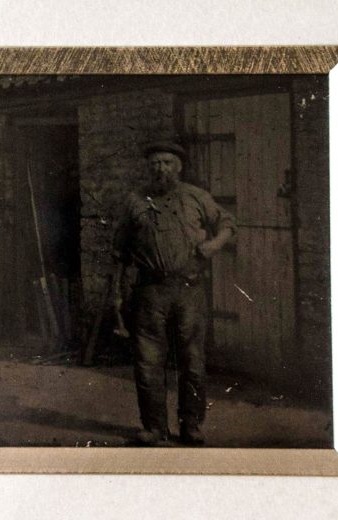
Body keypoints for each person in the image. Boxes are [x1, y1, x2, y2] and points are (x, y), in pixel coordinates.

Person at [111, 141, 236, 446]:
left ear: (178, 167)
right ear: (148, 168)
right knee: (148, 362)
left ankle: (191, 425)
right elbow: (119, 251)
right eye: (155, 163)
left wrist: (214, 244)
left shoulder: (196, 197)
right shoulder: (135, 202)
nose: (161, 169)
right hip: (150, 292)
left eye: (167, 163)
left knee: (192, 362)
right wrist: (117, 295)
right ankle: (154, 428)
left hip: (188, 291)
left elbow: (228, 223)